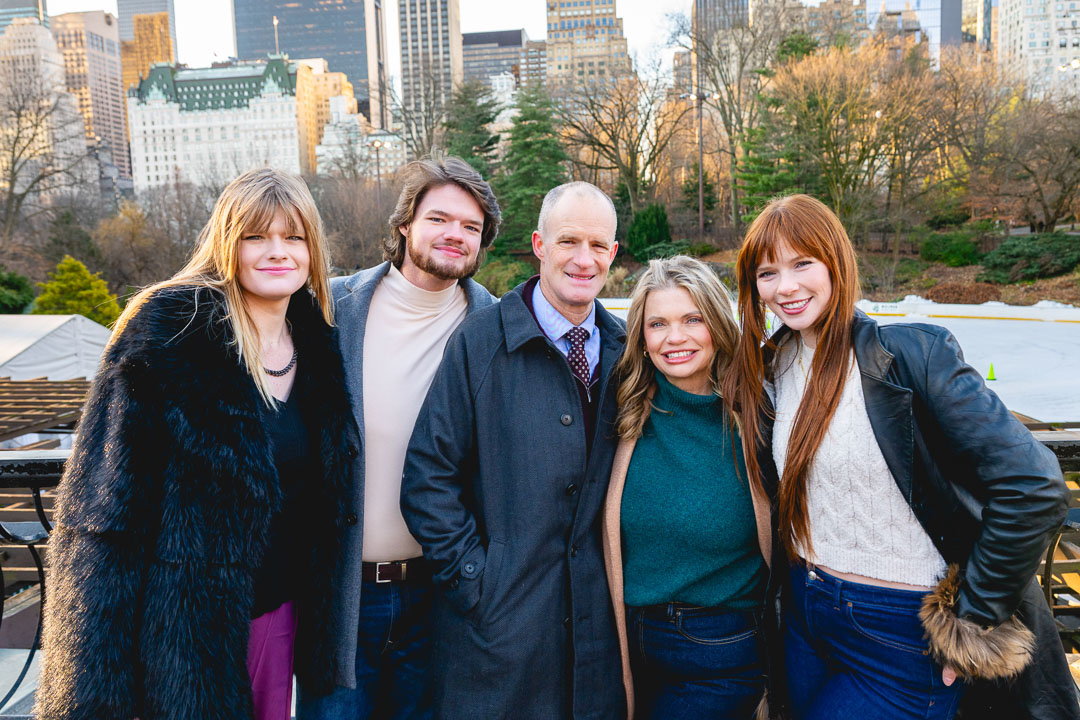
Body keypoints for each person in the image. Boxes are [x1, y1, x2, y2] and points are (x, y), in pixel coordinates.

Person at [722, 193, 1074, 720]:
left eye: (802, 263)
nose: (786, 287)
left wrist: (972, 618)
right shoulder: (774, 366)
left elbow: (1035, 486)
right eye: (767, 273)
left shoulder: (912, 355)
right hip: (803, 612)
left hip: (899, 628)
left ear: (835, 262)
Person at [34, 167, 357, 720]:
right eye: (257, 235)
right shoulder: (168, 332)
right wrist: (94, 686)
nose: (277, 251)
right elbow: (103, 518)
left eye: (294, 236)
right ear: (228, 243)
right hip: (177, 636)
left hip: (276, 617)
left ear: (312, 249)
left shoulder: (320, 342)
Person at [400, 181, 625, 719]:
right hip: (495, 639)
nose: (584, 259)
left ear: (614, 254)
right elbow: (427, 479)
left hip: (599, 640)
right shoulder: (479, 342)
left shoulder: (628, 348)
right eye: (568, 241)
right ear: (539, 246)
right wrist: (477, 583)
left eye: (599, 246)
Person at [296, 155, 500, 719]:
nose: (455, 235)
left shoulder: (494, 330)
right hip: (342, 595)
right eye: (440, 219)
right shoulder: (330, 308)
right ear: (406, 223)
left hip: (439, 598)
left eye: (471, 227)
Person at [601, 255, 773, 720]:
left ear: (717, 323)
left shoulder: (760, 417)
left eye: (692, 319)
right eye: (658, 324)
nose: (674, 338)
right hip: (629, 646)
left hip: (721, 650)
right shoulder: (625, 410)